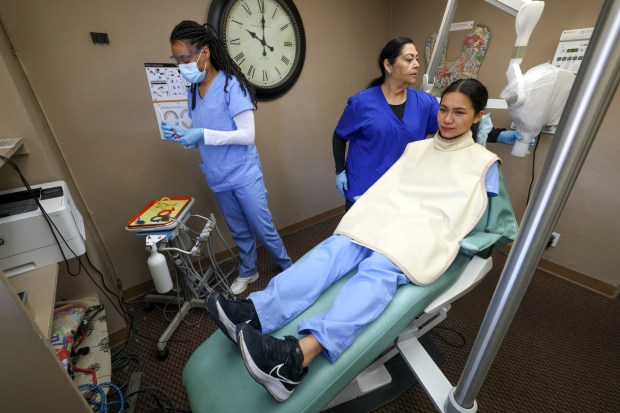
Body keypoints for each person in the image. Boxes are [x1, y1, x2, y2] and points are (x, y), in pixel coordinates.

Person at [205, 78, 501, 402]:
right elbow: (395, 187)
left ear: (478, 115)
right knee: (333, 249)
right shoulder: (418, 149)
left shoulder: (483, 164)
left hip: (422, 232)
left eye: (459, 112)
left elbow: (480, 217)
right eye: (443, 109)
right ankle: (255, 313)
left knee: (379, 269)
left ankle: (294, 359)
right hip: (386, 217)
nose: (447, 119)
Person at [161, 21, 291, 295]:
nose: (181, 66)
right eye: (177, 60)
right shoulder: (192, 92)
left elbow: (247, 135)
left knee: (262, 227)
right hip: (217, 175)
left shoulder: (232, 86)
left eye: (185, 59)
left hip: (243, 173)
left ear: (205, 53)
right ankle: (249, 270)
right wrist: (184, 137)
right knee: (238, 229)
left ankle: (288, 268)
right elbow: (204, 136)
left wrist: (201, 134)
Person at [333, 37, 528, 211]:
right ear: (388, 65)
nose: (417, 64)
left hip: (400, 187)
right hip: (364, 185)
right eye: (409, 59)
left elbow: (453, 125)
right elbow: (340, 135)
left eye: (417, 59)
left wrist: (497, 135)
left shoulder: (424, 103)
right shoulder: (362, 103)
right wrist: (340, 170)